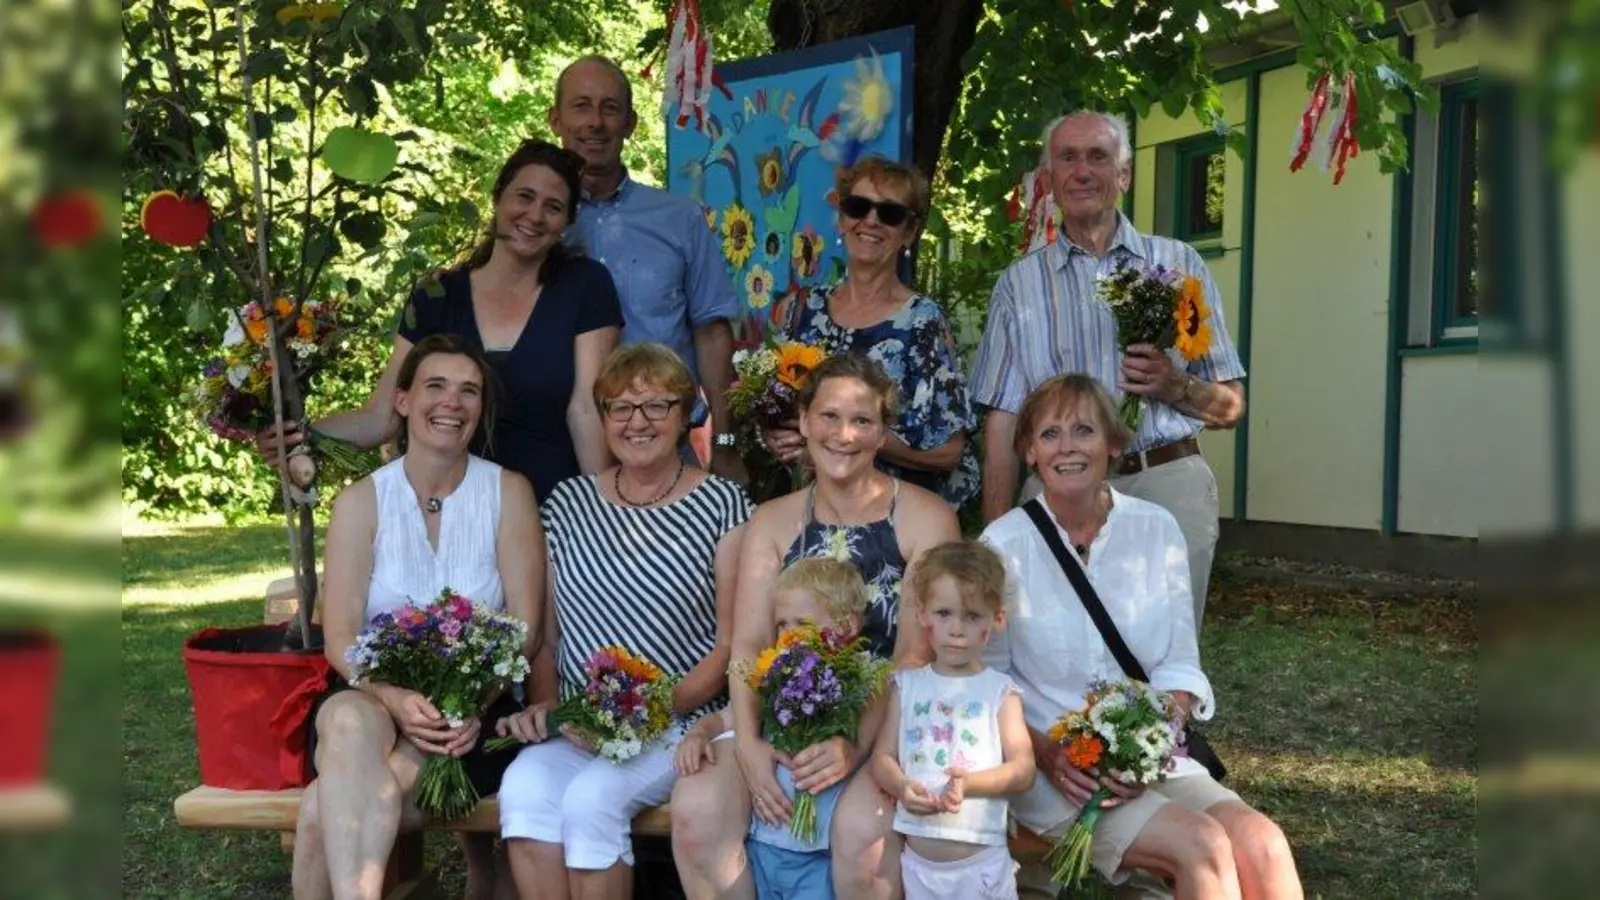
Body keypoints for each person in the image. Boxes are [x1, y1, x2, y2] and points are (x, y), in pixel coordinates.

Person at [981, 374, 1302, 899]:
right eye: (1050, 434)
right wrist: (1046, 754)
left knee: (1264, 844)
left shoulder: (1156, 528)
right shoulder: (1001, 546)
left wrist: (1147, 746)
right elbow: (988, 682)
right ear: (1030, 452)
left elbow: (1179, 665)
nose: (1067, 447)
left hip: (1148, 758)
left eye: (1084, 430)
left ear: (1113, 444)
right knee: (1202, 846)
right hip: (1054, 772)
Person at [669, 353, 961, 900]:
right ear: (803, 421)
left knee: (863, 833)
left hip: (886, 722)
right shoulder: (773, 520)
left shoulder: (925, 518)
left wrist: (853, 742)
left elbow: (912, 656)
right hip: (779, 715)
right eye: (829, 416)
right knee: (695, 812)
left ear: (882, 433)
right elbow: (749, 644)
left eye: (862, 420)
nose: (843, 435)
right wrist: (749, 744)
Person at [490, 342, 752, 900]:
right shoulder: (568, 503)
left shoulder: (724, 505)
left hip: (677, 722)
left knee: (591, 802)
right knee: (524, 789)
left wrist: (643, 715)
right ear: (603, 416)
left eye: (657, 405)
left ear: (685, 414)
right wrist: (550, 708)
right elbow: (549, 635)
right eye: (621, 407)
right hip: (580, 723)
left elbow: (730, 645)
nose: (638, 422)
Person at [292, 335, 545, 900]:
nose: (451, 402)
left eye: (469, 391)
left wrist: (469, 702)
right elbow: (341, 638)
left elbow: (525, 629)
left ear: (481, 409)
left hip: (474, 717)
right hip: (370, 695)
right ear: (402, 401)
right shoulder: (360, 502)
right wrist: (392, 696)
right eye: (435, 386)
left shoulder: (508, 493)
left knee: (320, 809)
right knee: (347, 723)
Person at [969, 110, 1246, 627]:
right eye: (1068, 158)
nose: (1082, 171)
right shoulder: (1019, 285)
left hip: (1165, 483)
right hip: (1059, 487)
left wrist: (1174, 385)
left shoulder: (1179, 265)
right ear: (1048, 179)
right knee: (1052, 645)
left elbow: (1231, 407)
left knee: (1163, 648)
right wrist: (994, 540)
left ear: (1124, 175)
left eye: (1098, 157)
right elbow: (1004, 420)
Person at [257, 140, 621, 505]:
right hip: (447, 508)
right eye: (524, 196)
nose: (535, 215)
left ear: (567, 220)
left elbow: (586, 410)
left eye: (553, 207)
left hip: (551, 507)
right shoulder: (437, 295)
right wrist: (301, 436)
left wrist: (602, 511)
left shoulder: (585, 286)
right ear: (498, 196)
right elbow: (384, 415)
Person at [549, 55, 746, 482]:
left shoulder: (679, 218)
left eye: (610, 108)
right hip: (556, 447)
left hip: (665, 445)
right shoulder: (538, 225)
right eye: (581, 106)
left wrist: (725, 442)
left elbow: (712, 332)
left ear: (631, 123)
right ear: (555, 119)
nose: (596, 122)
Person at [762, 156, 979, 508]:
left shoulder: (922, 322)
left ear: (909, 232)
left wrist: (843, 438)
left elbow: (949, 451)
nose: (871, 220)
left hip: (890, 517)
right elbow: (771, 414)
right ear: (841, 218)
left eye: (890, 213)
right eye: (858, 207)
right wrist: (773, 437)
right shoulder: (800, 310)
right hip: (804, 508)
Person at [674, 557, 873, 900]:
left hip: (817, 858)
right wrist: (699, 734)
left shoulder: (854, 687)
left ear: (846, 625)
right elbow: (725, 718)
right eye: (781, 624)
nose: (788, 636)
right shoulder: (776, 681)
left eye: (802, 623)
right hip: (762, 849)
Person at [868, 540, 1035, 900]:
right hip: (919, 869)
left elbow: (1023, 770)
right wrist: (901, 787)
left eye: (972, 616)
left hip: (981, 870)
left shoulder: (999, 692)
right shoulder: (906, 686)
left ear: (997, 619)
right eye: (944, 614)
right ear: (923, 614)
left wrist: (969, 783)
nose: (956, 629)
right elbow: (881, 757)